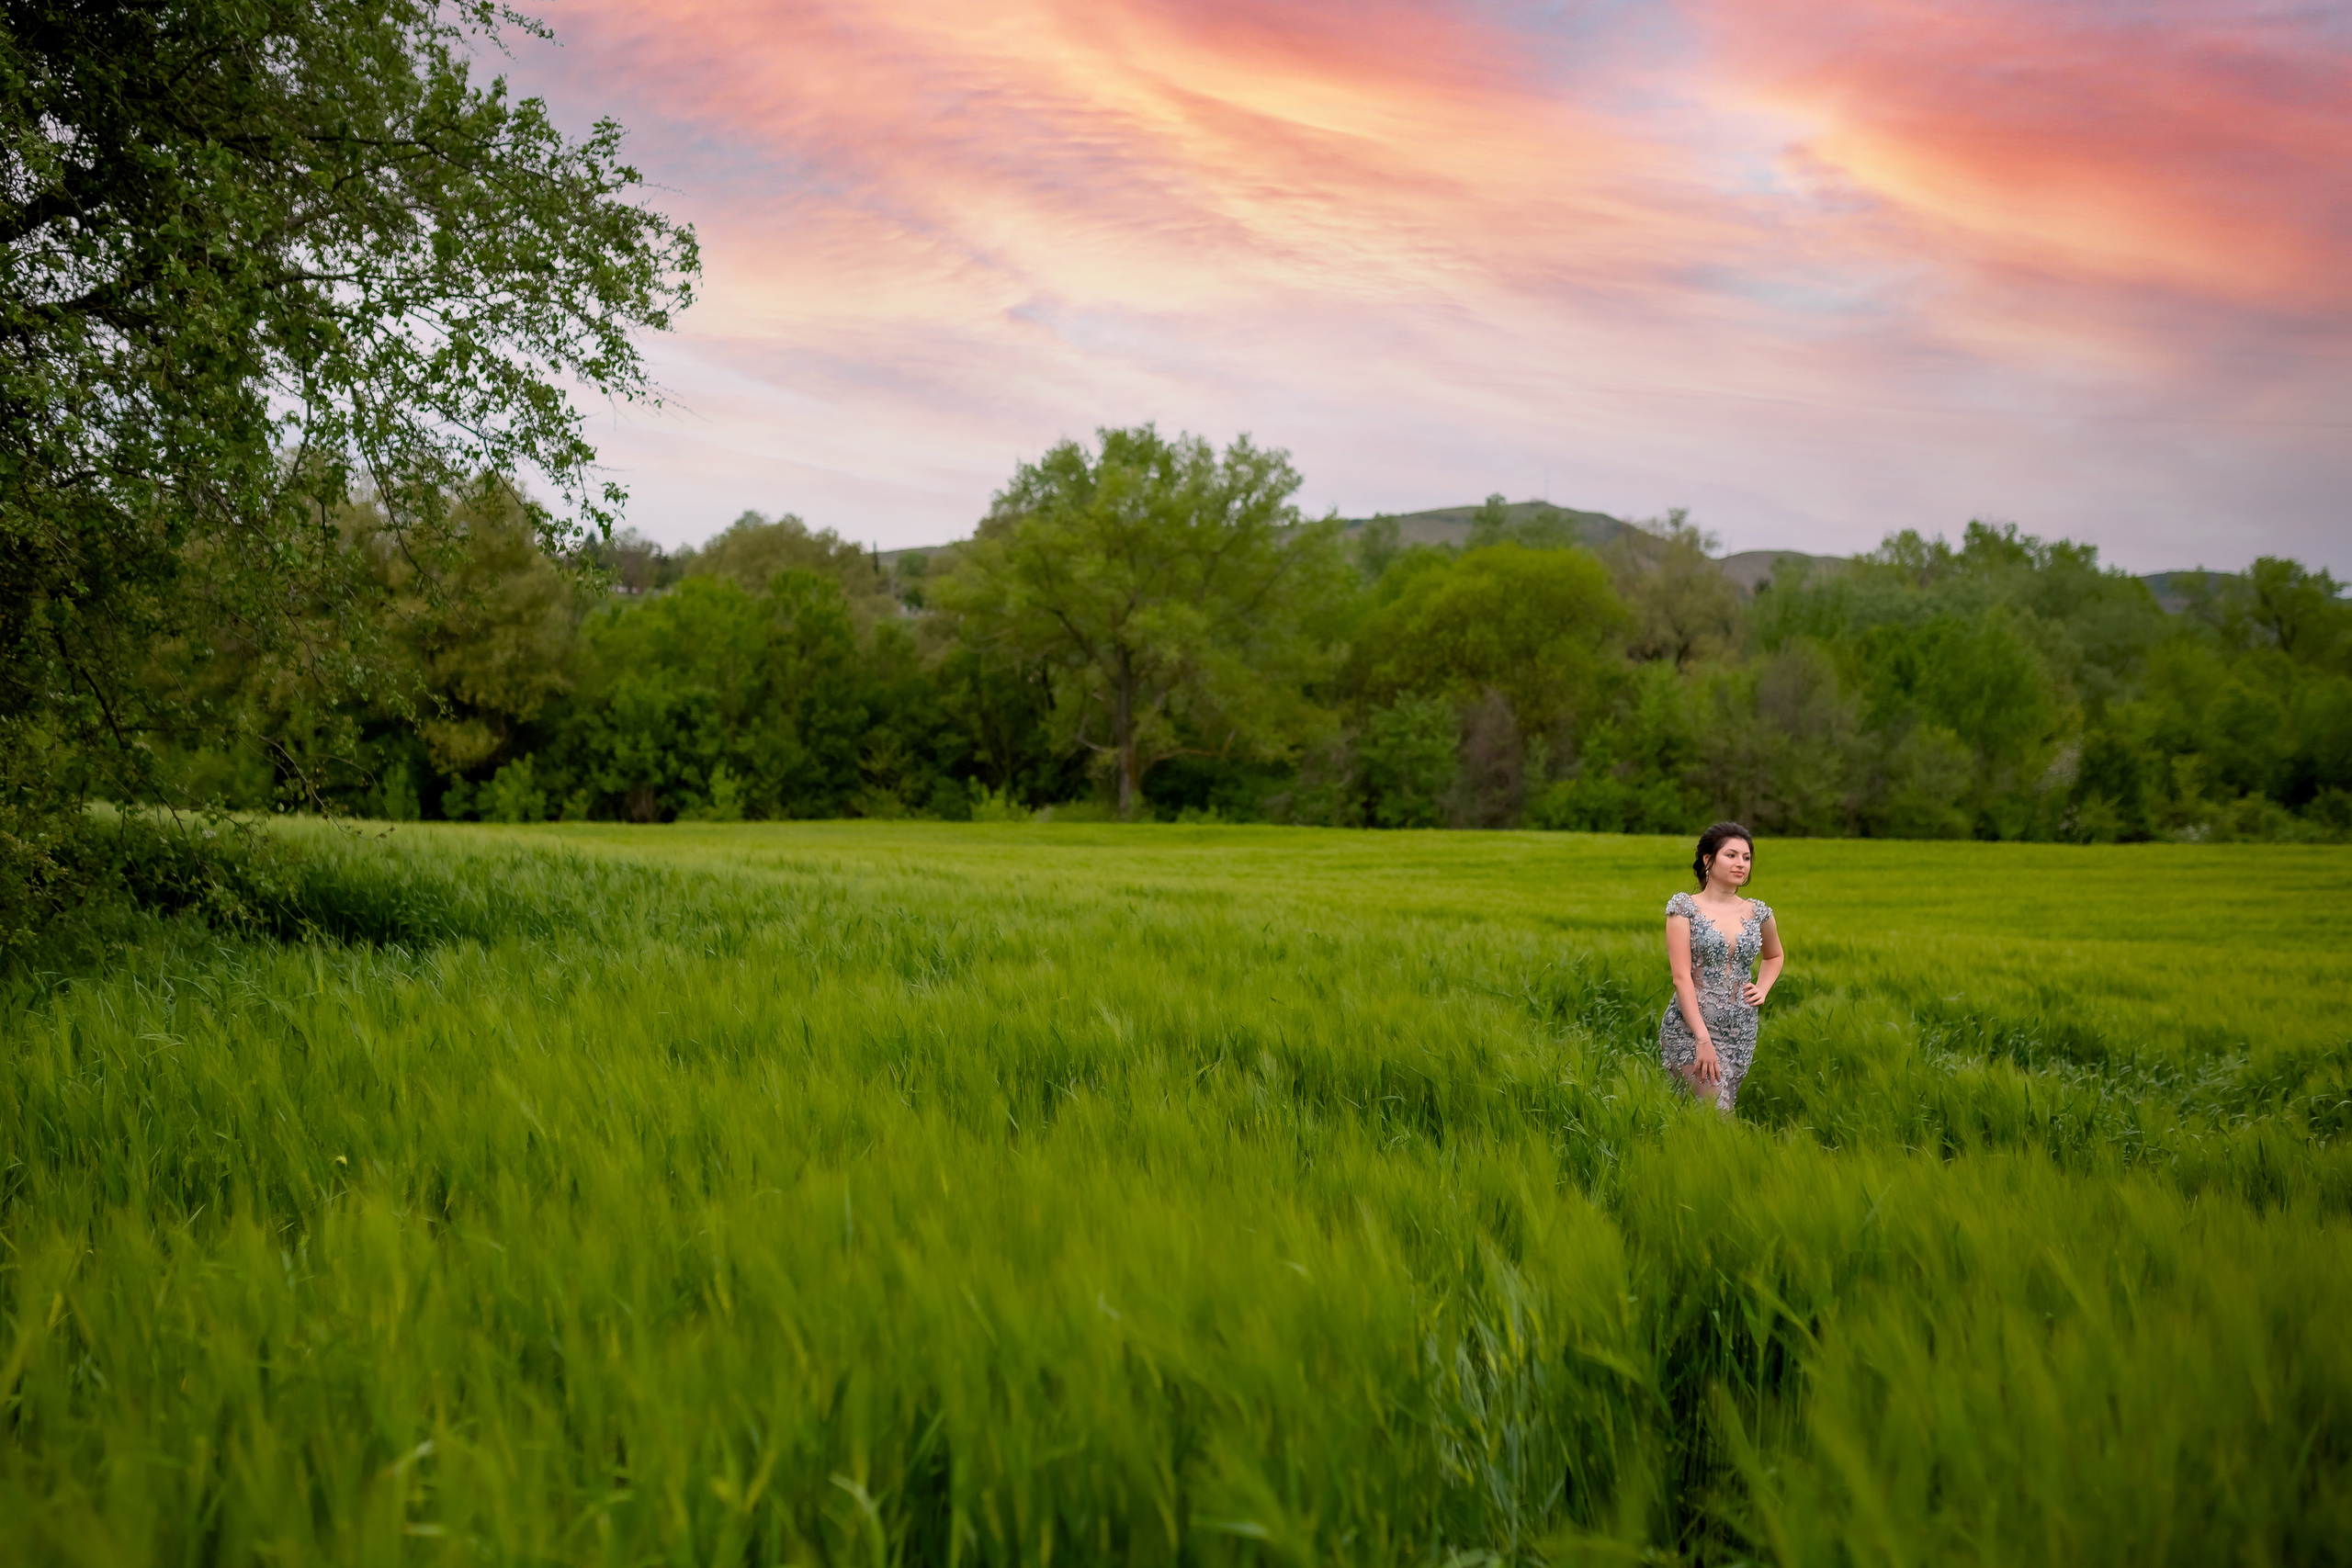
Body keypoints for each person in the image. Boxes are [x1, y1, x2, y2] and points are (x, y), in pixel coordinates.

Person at [1659, 821, 1783, 1113]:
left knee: (1707, 1112)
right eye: (1731, 855)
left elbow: (1774, 956)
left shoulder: (1758, 912)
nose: (1741, 863)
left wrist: (1762, 989)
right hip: (1691, 1029)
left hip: (1740, 1030)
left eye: (1747, 857)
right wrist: (1702, 1039)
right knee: (1717, 1112)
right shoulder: (1684, 910)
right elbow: (1681, 979)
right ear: (1708, 859)